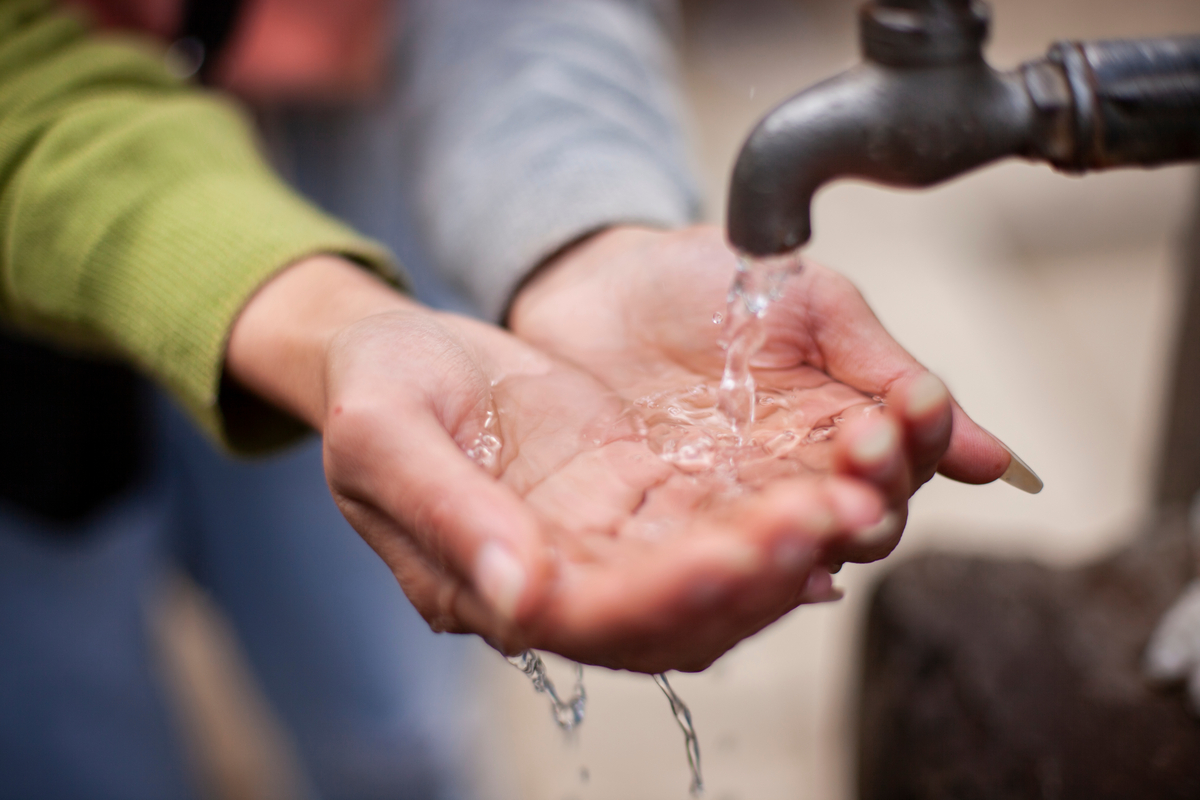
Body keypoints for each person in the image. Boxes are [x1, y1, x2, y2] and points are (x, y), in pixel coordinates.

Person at [0, 0, 1023, 796]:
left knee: (391, 729)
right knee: (67, 740)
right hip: (35, 156)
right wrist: (312, 308)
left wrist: (580, 232)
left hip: (339, 91)